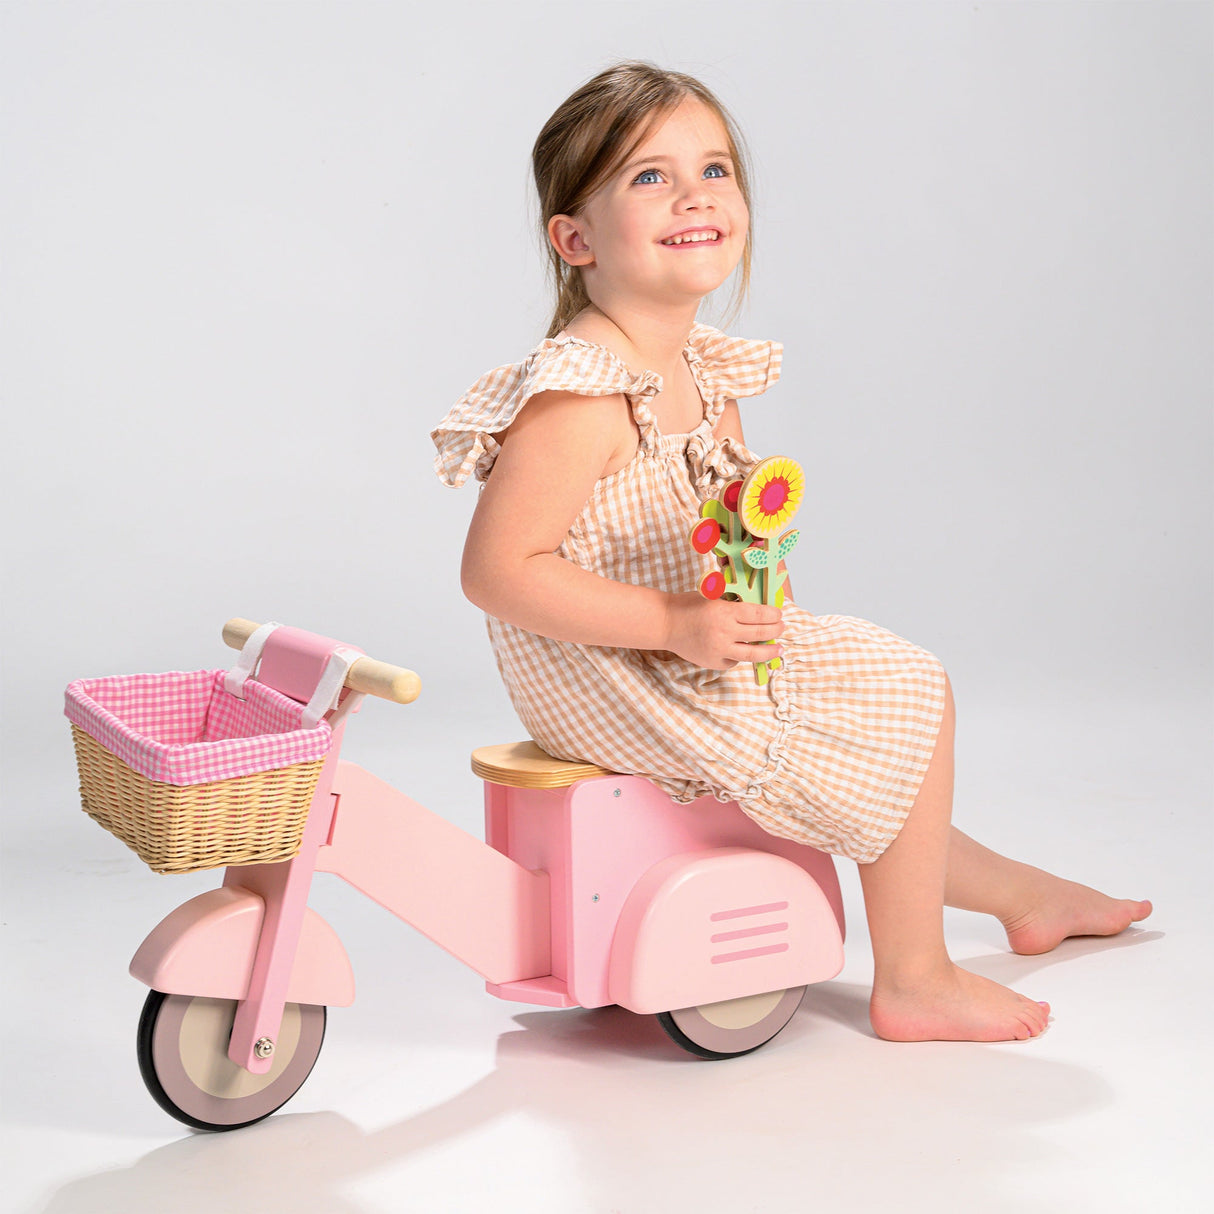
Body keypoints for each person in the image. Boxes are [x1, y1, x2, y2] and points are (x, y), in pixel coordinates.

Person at [431, 60, 1151, 1042]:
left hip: (686, 640)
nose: (694, 196)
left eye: (714, 169)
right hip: (610, 670)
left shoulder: (700, 369)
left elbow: (731, 522)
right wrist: (674, 622)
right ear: (575, 238)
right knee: (909, 687)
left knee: (853, 728)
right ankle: (914, 977)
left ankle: (1026, 895)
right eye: (649, 177)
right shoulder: (580, 395)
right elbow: (497, 572)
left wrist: (757, 600)